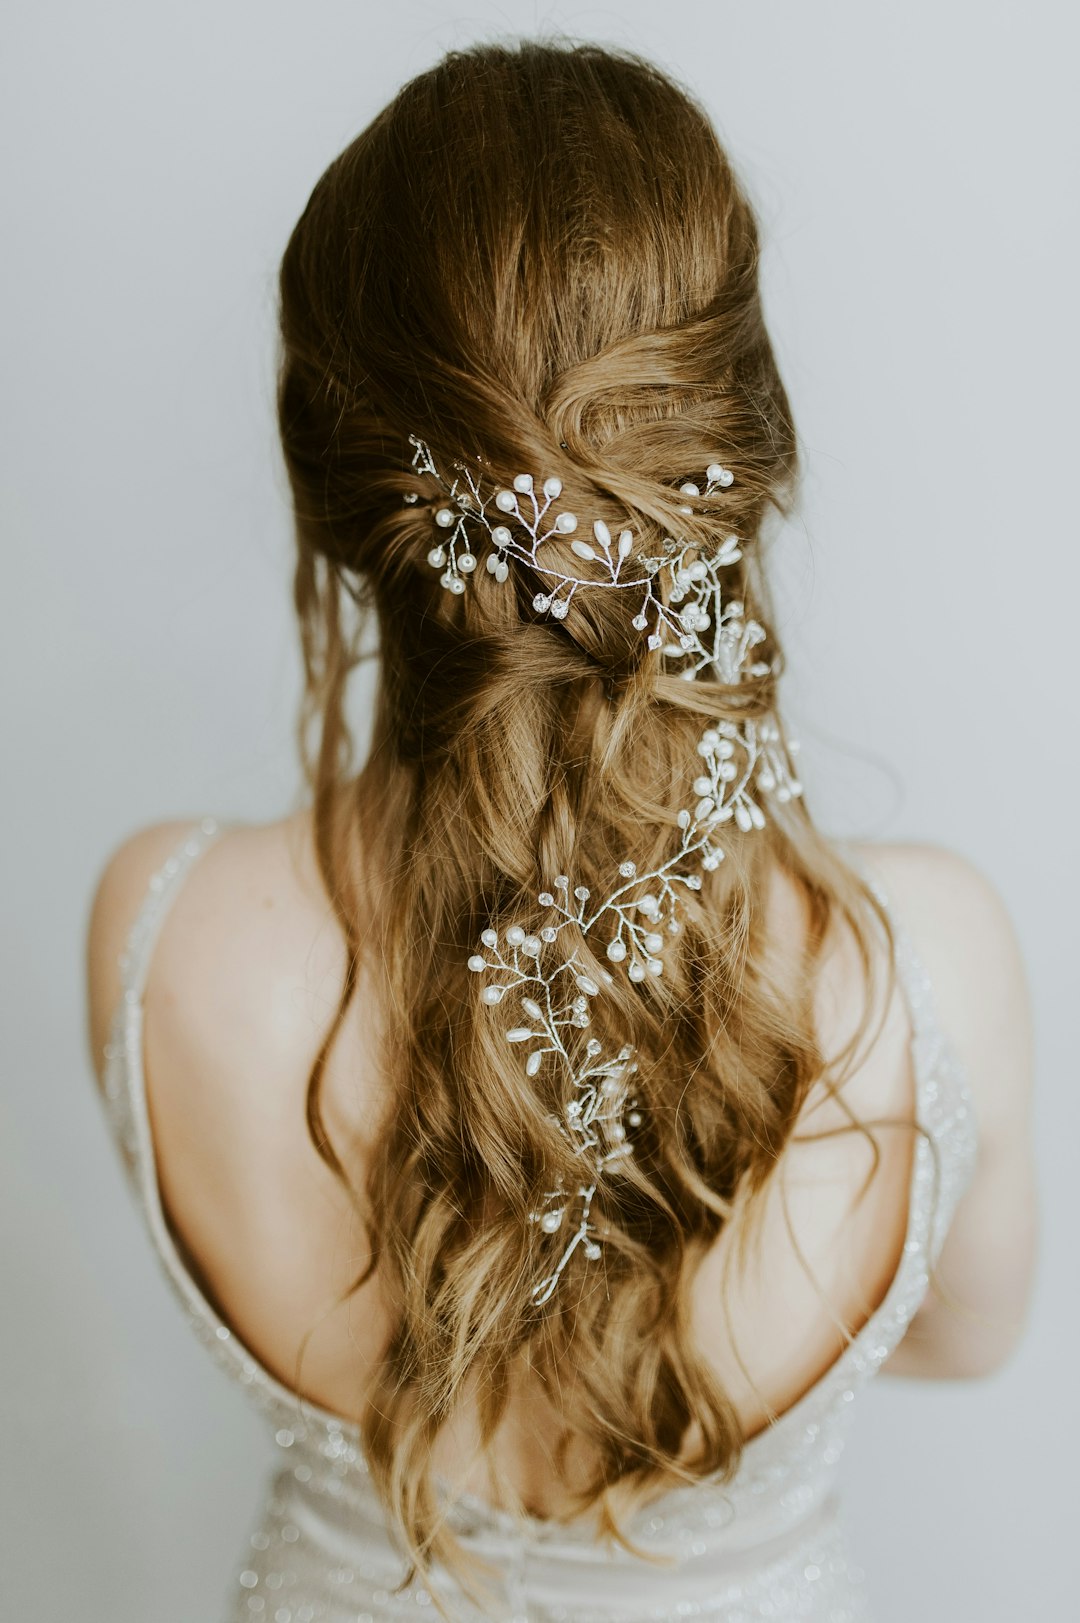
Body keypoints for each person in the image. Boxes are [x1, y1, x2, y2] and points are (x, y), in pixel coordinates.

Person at [85, 40, 1037, 1623]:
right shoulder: (922, 964)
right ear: (735, 449)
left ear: (338, 493)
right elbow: (964, 1334)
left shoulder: (165, 930)